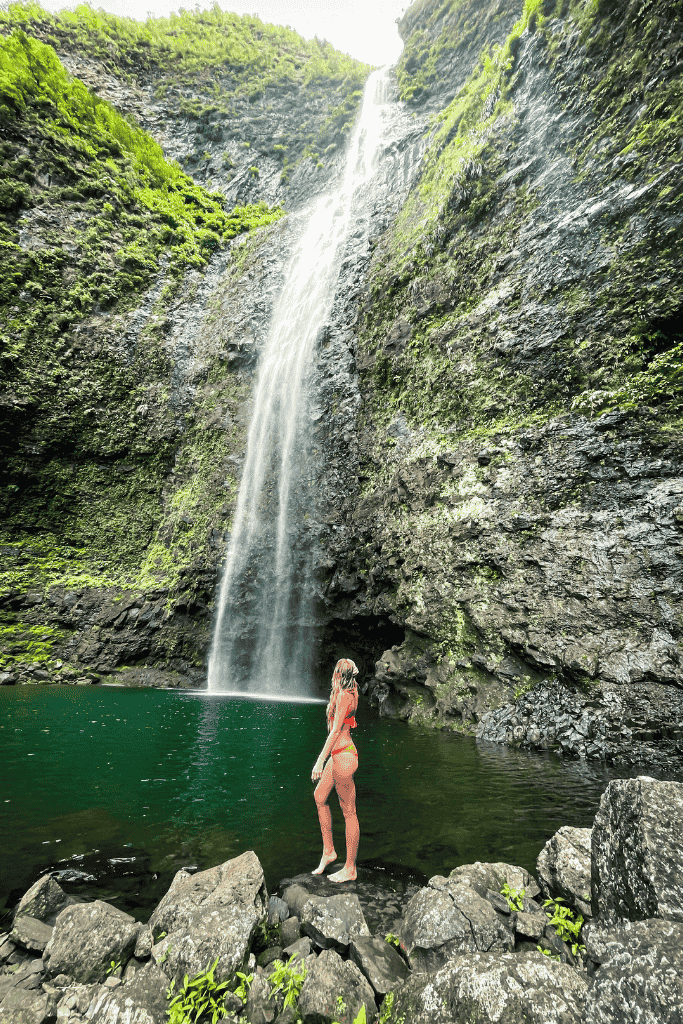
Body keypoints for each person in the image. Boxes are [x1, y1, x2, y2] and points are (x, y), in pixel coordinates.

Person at [311, 658, 359, 882]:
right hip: (339, 755)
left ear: (339, 675)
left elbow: (336, 730)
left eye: (336, 673)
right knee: (320, 796)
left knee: (349, 812)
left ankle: (350, 868)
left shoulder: (343, 696)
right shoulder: (351, 691)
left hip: (344, 757)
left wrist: (320, 760)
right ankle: (329, 851)